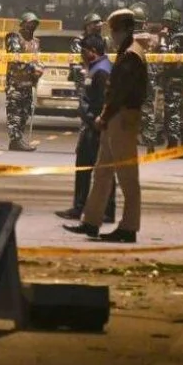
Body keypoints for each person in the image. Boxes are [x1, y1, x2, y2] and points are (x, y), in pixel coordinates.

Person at [64, 9, 147, 244]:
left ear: (122, 30)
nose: (111, 35)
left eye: (113, 30)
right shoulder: (127, 51)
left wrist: (104, 115)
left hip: (122, 118)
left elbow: (120, 92)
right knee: (102, 173)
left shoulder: (131, 54)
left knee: (127, 176)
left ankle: (129, 227)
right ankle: (91, 221)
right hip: (115, 119)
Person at [55, 34, 117, 224]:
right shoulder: (96, 68)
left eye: (84, 51)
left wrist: (94, 120)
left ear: (93, 51)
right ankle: (81, 206)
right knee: (86, 167)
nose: (81, 55)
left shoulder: (102, 71)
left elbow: (102, 101)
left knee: (100, 169)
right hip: (91, 125)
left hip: (96, 126)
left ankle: (104, 210)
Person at [5, 12, 43, 151]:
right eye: (29, 23)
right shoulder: (14, 38)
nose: (32, 26)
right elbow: (16, 58)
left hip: (28, 83)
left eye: (34, 23)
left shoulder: (36, 42)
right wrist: (33, 68)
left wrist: (39, 69)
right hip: (15, 83)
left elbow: (39, 59)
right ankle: (15, 140)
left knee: (24, 113)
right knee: (14, 114)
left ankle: (18, 139)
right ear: (23, 23)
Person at [159, 8, 183, 151]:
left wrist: (162, 40)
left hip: (174, 79)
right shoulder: (182, 36)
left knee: (173, 112)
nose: (165, 25)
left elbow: (165, 55)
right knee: (181, 112)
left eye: (167, 22)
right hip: (177, 78)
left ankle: (174, 146)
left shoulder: (177, 37)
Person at [131, 3, 161, 153]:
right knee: (148, 108)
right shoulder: (152, 38)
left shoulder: (126, 37)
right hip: (148, 76)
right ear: (144, 22)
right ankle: (150, 143)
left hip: (130, 75)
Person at [70, 12, 103, 99]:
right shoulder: (79, 41)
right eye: (95, 22)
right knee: (85, 101)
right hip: (83, 74)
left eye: (99, 22)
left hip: (99, 75)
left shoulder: (101, 40)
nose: (99, 25)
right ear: (88, 26)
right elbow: (77, 56)